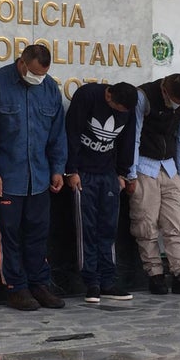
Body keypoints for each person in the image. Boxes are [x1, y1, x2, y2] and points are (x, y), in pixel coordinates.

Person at [0, 44, 68, 310]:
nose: (39, 79)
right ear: (22, 63)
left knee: (38, 234)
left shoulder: (50, 88)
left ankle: (39, 284)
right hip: (8, 176)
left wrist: (58, 168)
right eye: (34, 73)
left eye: (43, 74)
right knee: (9, 236)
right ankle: (16, 288)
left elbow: (57, 133)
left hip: (40, 177)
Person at [126, 74, 180, 296]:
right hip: (144, 167)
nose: (177, 105)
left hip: (171, 168)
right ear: (164, 90)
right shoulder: (143, 96)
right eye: (174, 100)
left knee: (175, 224)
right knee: (146, 226)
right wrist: (131, 174)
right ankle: (154, 274)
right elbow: (133, 137)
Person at [65, 82, 138, 303]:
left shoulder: (128, 106)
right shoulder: (88, 95)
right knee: (86, 229)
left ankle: (108, 281)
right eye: (118, 109)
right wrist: (71, 170)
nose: (121, 113)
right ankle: (91, 283)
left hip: (108, 173)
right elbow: (72, 132)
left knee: (108, 229)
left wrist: (123, 173)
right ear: (109, 97)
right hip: (84, 172)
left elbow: (128, 139)